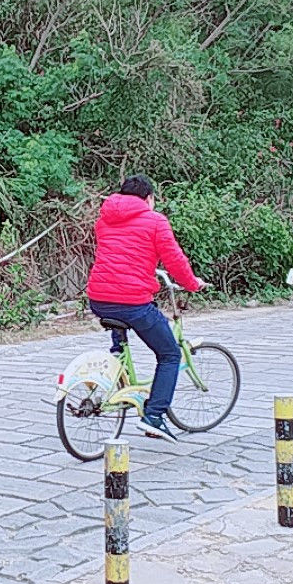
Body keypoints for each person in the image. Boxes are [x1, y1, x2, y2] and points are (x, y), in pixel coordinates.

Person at [85, 175, 204, 443]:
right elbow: (174, 260)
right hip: (132, 301)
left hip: (99, 298)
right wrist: (193, 284)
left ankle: (118, 360)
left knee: (119, 318)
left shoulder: (104, 220)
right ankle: (154, 416)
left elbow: (119, 256)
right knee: (170, 354)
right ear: (149, 198)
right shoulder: (155, 221)